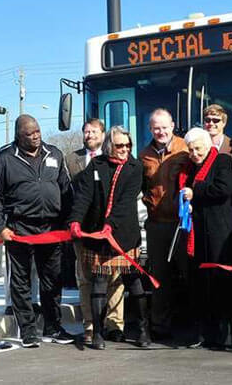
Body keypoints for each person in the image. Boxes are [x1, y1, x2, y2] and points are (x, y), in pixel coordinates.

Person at [0, 114, 75, 347]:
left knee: (52, 280)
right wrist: (0, 226)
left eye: (37, 131)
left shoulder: (54, 153)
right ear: (18, 135)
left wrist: (70, 221)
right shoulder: (4, 158)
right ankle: (27, 330)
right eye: (29, 133)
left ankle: (53, 327)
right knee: (21, 281)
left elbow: (66, 190)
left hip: (52, 229)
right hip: (19, 229)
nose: (36, 136)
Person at [68, 126, 150, 349]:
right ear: (109, 146)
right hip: (97, 237)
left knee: (133, 282)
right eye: (120, 145)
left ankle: (143, 330)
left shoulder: (135, 168)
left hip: (124, 235)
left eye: (128, 145)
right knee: (99, 283)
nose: (125, 149)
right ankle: (97, 333)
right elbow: (84, 196)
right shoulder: (97, 164)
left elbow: (125, 202)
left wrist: (109, 225)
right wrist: (75, 220)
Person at [180, 127, 232, 349]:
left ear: (208, 146)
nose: (194, 153)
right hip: (199, 233)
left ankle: (226, 336)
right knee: (203, 285)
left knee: (222, 284)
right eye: (191, 149)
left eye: (198, 149)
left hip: (220, 231)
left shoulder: (222, 161)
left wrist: (195, 191)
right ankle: (207, 332)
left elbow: (224, 188)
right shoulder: (190, 169)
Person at [66, 119, 126, 343]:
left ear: (103, 134)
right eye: (85, 131)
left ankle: (114, 325)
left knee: (115, 278)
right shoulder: (71, 160)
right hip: (83, 231)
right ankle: (90, 325)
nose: (89, 135)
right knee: (85, 278)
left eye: (93, 131)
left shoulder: (114, 157)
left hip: (111, 230)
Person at [140, 108, 191, 339]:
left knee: (189, 273)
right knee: (159, 277)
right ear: (150, 129)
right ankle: (160, 326)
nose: (160, 132)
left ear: (172, 126)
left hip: (184, 223)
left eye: (164, 127)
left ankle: (194, 325)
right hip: (157, 224)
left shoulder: (186, 148)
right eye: (156, 128)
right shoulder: (144, 155)